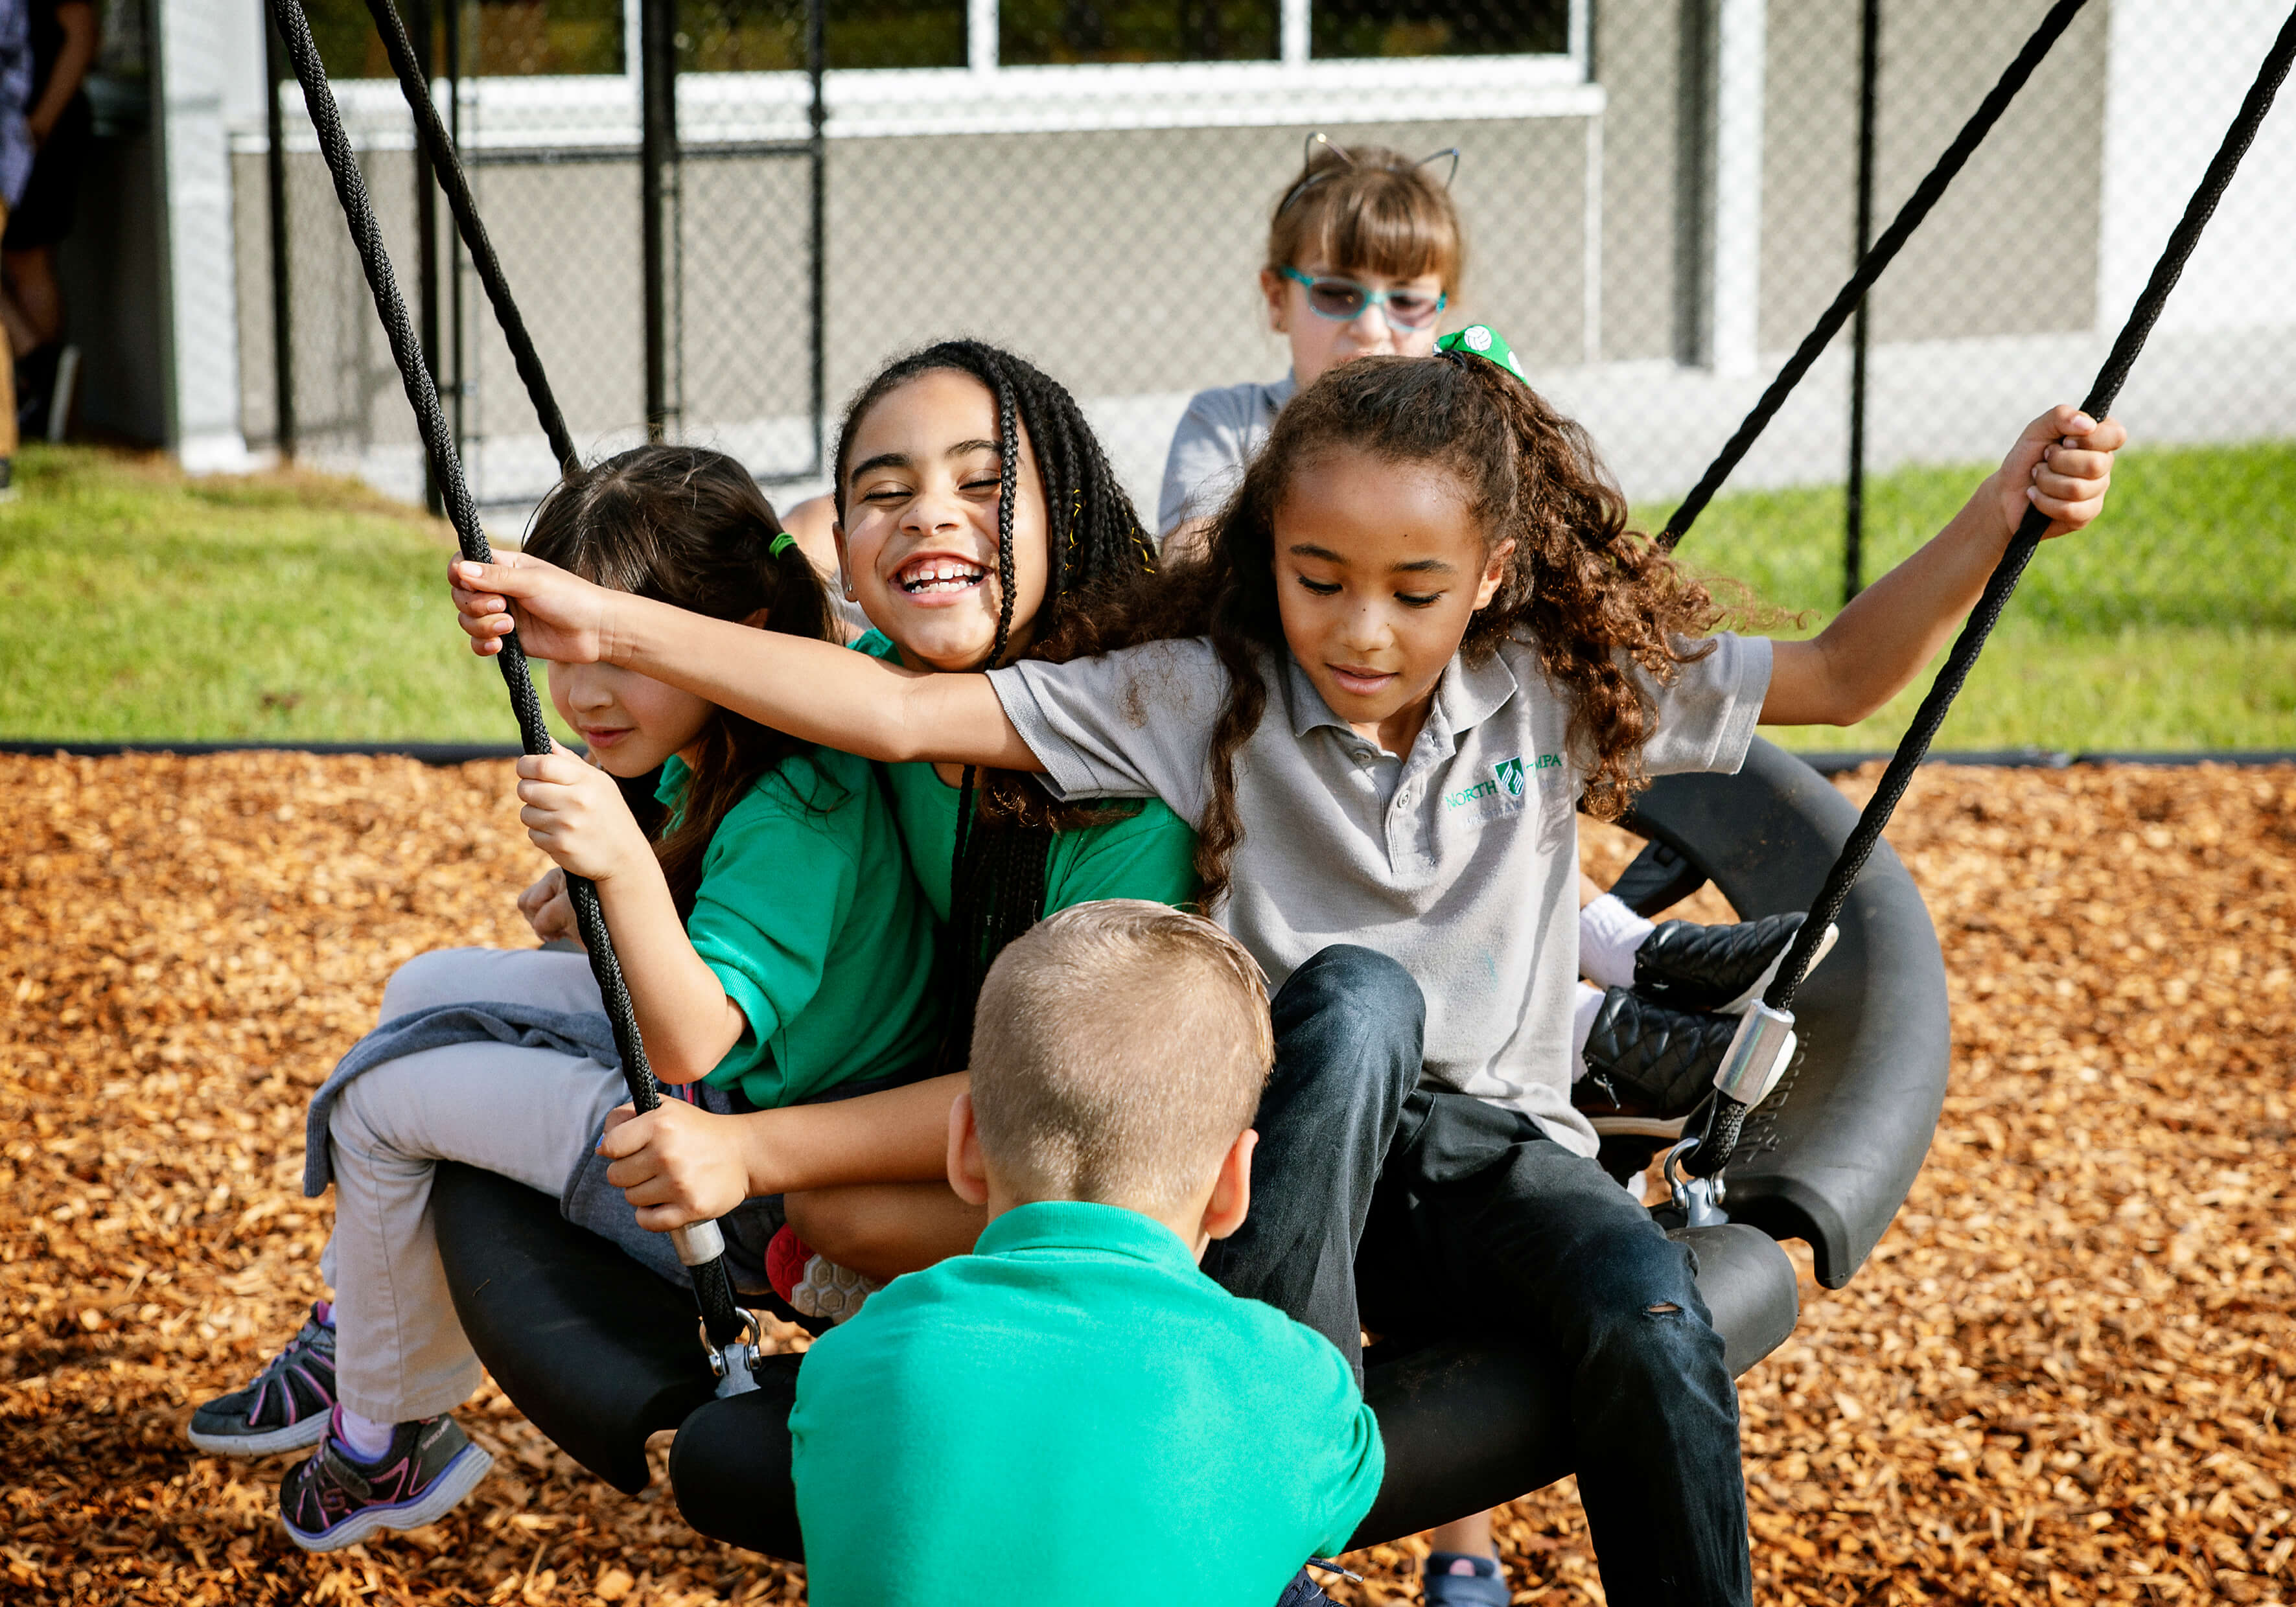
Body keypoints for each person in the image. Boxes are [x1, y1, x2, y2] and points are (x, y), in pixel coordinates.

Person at [450, 330, 2124, 1604]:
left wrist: (1996, 512)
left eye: (1413, 591)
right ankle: (1267, 1456)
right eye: (1318, 579)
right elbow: (887, 707)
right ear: (1264, 561)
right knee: (1351, 997)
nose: (1364, 631)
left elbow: (1836, 671)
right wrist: (591, 623)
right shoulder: (1201, 688)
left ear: (1491, 578)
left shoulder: (1543, 682)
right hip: (1264, 1161)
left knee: (1649, 1315)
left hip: (1489, 1159)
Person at [185, 446, 942, 1552]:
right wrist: (637, 861)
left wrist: (622, 872)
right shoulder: (744, 739)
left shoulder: (797, 807)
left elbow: (694, 1031)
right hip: (743, 1083)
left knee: (381, 1107)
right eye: (557, 651)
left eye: (614, 652)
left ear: (725, 633)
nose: (581, 694)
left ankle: (382, 1439)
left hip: (753, 1169)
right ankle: (362, 1320)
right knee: (421, 986)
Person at [791, 900, 1384, 1607]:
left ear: (965, 1146)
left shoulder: (855, 1358)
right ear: (1234, 1183)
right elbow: (1340, 1504)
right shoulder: (1291, 1379)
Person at [1, 0, 95, 438]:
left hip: (33, 132)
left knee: (28, 261)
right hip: (20, 133)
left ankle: (44, 396)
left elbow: (81, 35)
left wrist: (38, 125)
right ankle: (37, 372)